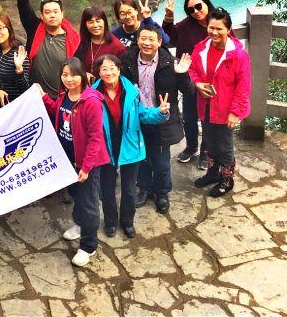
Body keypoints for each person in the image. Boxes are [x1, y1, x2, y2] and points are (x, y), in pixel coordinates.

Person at [36, 58, 109, 267]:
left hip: (87, 163)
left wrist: (86, 167)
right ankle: (79, 224)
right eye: (65, 75)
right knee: (77, 195)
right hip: (69, 159)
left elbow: (96, 137)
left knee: (89, 202)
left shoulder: (91, 101)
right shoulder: (64, 95)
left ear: (83, 75)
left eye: (73, 75)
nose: (69, 79)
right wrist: (44, 98)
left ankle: (89, 245)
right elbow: (58, 112)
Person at [92, 55, 169, 239]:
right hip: (105, 147)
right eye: (104, 69)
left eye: (112, 68)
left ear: (119, 70)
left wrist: (160, 112)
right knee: (107, 189)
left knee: (128, 188)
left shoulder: (132, 92)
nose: (108, 72)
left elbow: (144, 115)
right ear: (98, 72)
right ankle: (110, 222)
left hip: (130, 144)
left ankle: (128, 222)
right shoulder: (92, 95)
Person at [120, 26, 194, 214]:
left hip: (162, 119)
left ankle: (162, 192)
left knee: (161, 162)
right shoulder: (128, 60)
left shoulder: (170, 62)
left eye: (151, 39)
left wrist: (182, 74)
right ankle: (144, 188)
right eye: (143, 38)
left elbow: (189, 91)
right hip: (138, 118)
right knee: (142, 157)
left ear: (160, 42)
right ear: (137, 40)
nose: (146, 43)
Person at [189, 8, 251, 198]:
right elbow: (192, 69)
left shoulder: (237, 55)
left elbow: (243, 85)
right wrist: (198, 83)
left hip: (225, 108)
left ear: (228, 30)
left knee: (224, 146)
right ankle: (212, 173)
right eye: (211, 28)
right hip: (206, 104)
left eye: (219, 29)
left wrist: (235, 112)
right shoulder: (201, 48)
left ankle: (226, 180)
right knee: (209, 141)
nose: (214, 32)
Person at [12, 0, 81, 97]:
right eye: (47, 12)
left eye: (56, 11)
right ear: (42, 16)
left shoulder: (72, 38)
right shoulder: (35, 28)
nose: (52, 15)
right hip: (36, 96)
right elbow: (23, 5)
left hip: (63, 98)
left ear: (62, 14)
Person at [161, 0, 215, 165]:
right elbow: (167, 39)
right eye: (190, 10)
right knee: (190, 117)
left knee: (209, 118)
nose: (196, 11)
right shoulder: (185, 26)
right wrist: (168, 17)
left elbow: (231, 46)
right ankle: (191, 147)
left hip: (213, 80)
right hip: (190, 79)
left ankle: (207, 151)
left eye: (198, 6)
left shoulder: (218, 22)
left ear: (206, 3)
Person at [0, 13, 30, 107]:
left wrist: (19, 68)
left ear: (9, 29)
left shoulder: (19, 53)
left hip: (15, 106)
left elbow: (26, 89)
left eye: (0, 28)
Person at [73, 6, 126, 75]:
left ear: (104, 22)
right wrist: (84, 74)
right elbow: (75, 67)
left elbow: (123, 73)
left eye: (98, 21)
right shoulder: (81, 43)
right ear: (85, 24)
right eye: (91, 22)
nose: (95, 25)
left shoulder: (117, 46)